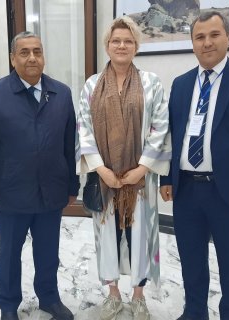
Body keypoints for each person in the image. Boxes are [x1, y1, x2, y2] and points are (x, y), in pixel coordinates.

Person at [160, 11, 229, 320]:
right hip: (186, 190)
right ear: (192, 43)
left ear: (227, 37)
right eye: (199, 37)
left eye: (213, 35)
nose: (206, 42)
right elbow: (173, 135)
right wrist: (166, 179)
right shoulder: (182, 85)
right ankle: (194, 312)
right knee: (191, 259)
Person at [0, 31, 80, 320]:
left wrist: (72, 184)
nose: (32, 57)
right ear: (12, 58)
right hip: (11, 195)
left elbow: (69, 145)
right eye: (24, 52)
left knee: (48, 253)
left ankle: (49, 297)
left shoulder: (61, 93)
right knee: (8, 256)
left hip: (51, 193)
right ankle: (8, 305)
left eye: (37, 51)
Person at [76, 16, 170, 320]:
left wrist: (141, 169)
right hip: (104, 178)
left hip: (139, 179)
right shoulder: (92, 85)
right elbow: (84, 129)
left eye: (128, 41)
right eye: (116, 40)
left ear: (136, 46)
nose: (121, 45)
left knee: (141, 234)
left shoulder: (151, 83)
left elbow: (160, 127)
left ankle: (139, 296)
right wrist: (101, 170)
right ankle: (113, 293)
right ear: (107, 45)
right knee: (107, 235)